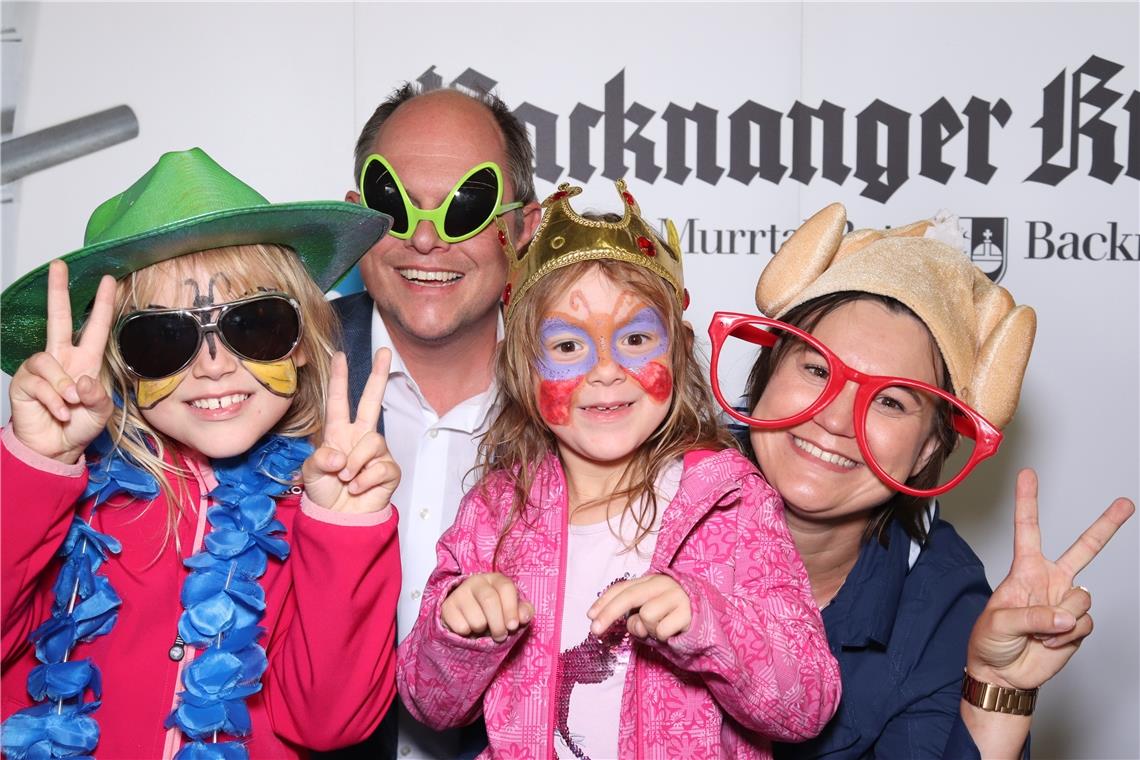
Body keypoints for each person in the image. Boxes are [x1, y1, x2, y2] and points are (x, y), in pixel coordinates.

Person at [397, 182, 842, 759]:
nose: (606, 371)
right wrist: (457, 634)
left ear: (679, 351)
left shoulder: (731, 503)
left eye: (635, 339)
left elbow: (808, 704)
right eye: (565, 347)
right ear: (519, 367)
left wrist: (705, 622)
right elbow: (430, 704)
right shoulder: (493, 512)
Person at [0, 148, 403, 759]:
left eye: (256, 324)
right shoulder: (66, 496)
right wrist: (37, 469)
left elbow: (328, 724)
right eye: (164, 337)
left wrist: (345, 533)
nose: (214, 366)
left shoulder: (318, 512)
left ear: (300, 343)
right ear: (118, 361)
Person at [707, 203, 1135, 758]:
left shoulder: (944, 602)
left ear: (929, 447)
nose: (836, 420)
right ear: (763, 377)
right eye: (816, 369)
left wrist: (996, 692)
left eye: (889, 401)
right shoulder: (641, 503)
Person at [332, 82, 542, 759]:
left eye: (468, 207)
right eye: (394, 205)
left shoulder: (593, 404)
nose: (424, 238)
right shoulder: (265, 377)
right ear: (354, 219)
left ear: (524, 228)